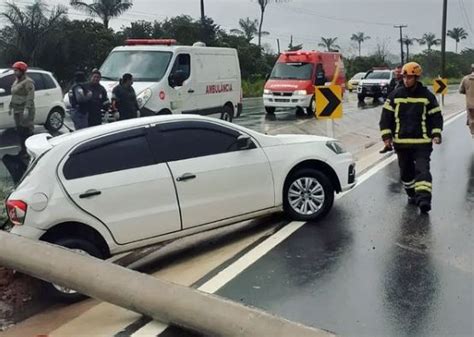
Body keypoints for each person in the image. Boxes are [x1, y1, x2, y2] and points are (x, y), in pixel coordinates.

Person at [379, 62, 443, 213]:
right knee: (406, 174)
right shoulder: (395, 95)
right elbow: (386, 118)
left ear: (416, 77)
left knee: (422, 170)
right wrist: (387, 137)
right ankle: (412, 194)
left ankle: (424, 200)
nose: (406, 80)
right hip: (402, 144)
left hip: (422, 143)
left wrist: (436, 134)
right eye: (404, 77)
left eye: (409, 78)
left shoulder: (427, 96)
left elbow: (436, 117)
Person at [9, 61, 35, 157]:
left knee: (27, 131)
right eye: (14, 70)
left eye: (16, 70)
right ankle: (23, 150)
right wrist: (11, 106)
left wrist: (27, 109)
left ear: (22, 71)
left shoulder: (28, 82)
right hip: (16, 109)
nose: (14, 72)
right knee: (20, 131)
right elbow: (15, 95)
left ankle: (30, 151)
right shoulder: (16, 81)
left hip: (24, 109)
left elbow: (30, 96)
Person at [459, 63, 474, 138]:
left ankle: (473, 132)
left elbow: (461, 90)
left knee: (471, 118)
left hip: (470, 104)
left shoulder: (465, 78)